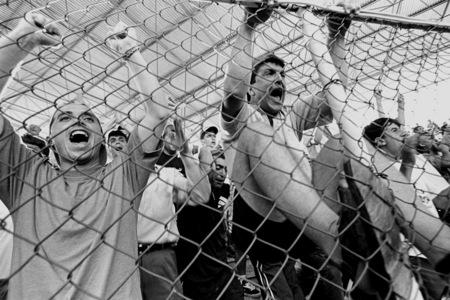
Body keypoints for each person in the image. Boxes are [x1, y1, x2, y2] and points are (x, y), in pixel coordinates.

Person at [0, 14, 169, 299]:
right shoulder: (25, 175)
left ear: (102, 138)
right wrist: (23, 38)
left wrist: (131, 53)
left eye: (89, 118)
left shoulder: (123, 176)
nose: (78, 122)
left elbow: (159, 112)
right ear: (50, 139)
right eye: (64, 117)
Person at [220, 2, 359, 298]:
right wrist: (249, 26)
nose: (280, 78)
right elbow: (232, 92)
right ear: (251, 87)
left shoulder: (291, 116)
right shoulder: (240, 121)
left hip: (299, 220)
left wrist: (337, 36)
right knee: (285, 294)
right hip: (263, 230)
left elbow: (336, 94)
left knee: (331, 278)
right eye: (269, 73)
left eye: (282, 74)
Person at [137, 118, 210, 300]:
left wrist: (185, 152)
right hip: (121, 258)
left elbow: (201, 195)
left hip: (159, 258)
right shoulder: (116, 177)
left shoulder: (166, 174)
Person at [176, 147, 244, 300]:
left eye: (225, 169)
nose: (222, 173)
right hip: (198, 275)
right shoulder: (193, 194)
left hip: (221, 268)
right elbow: (204, 155)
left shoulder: (219, 192)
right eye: (218, 167)